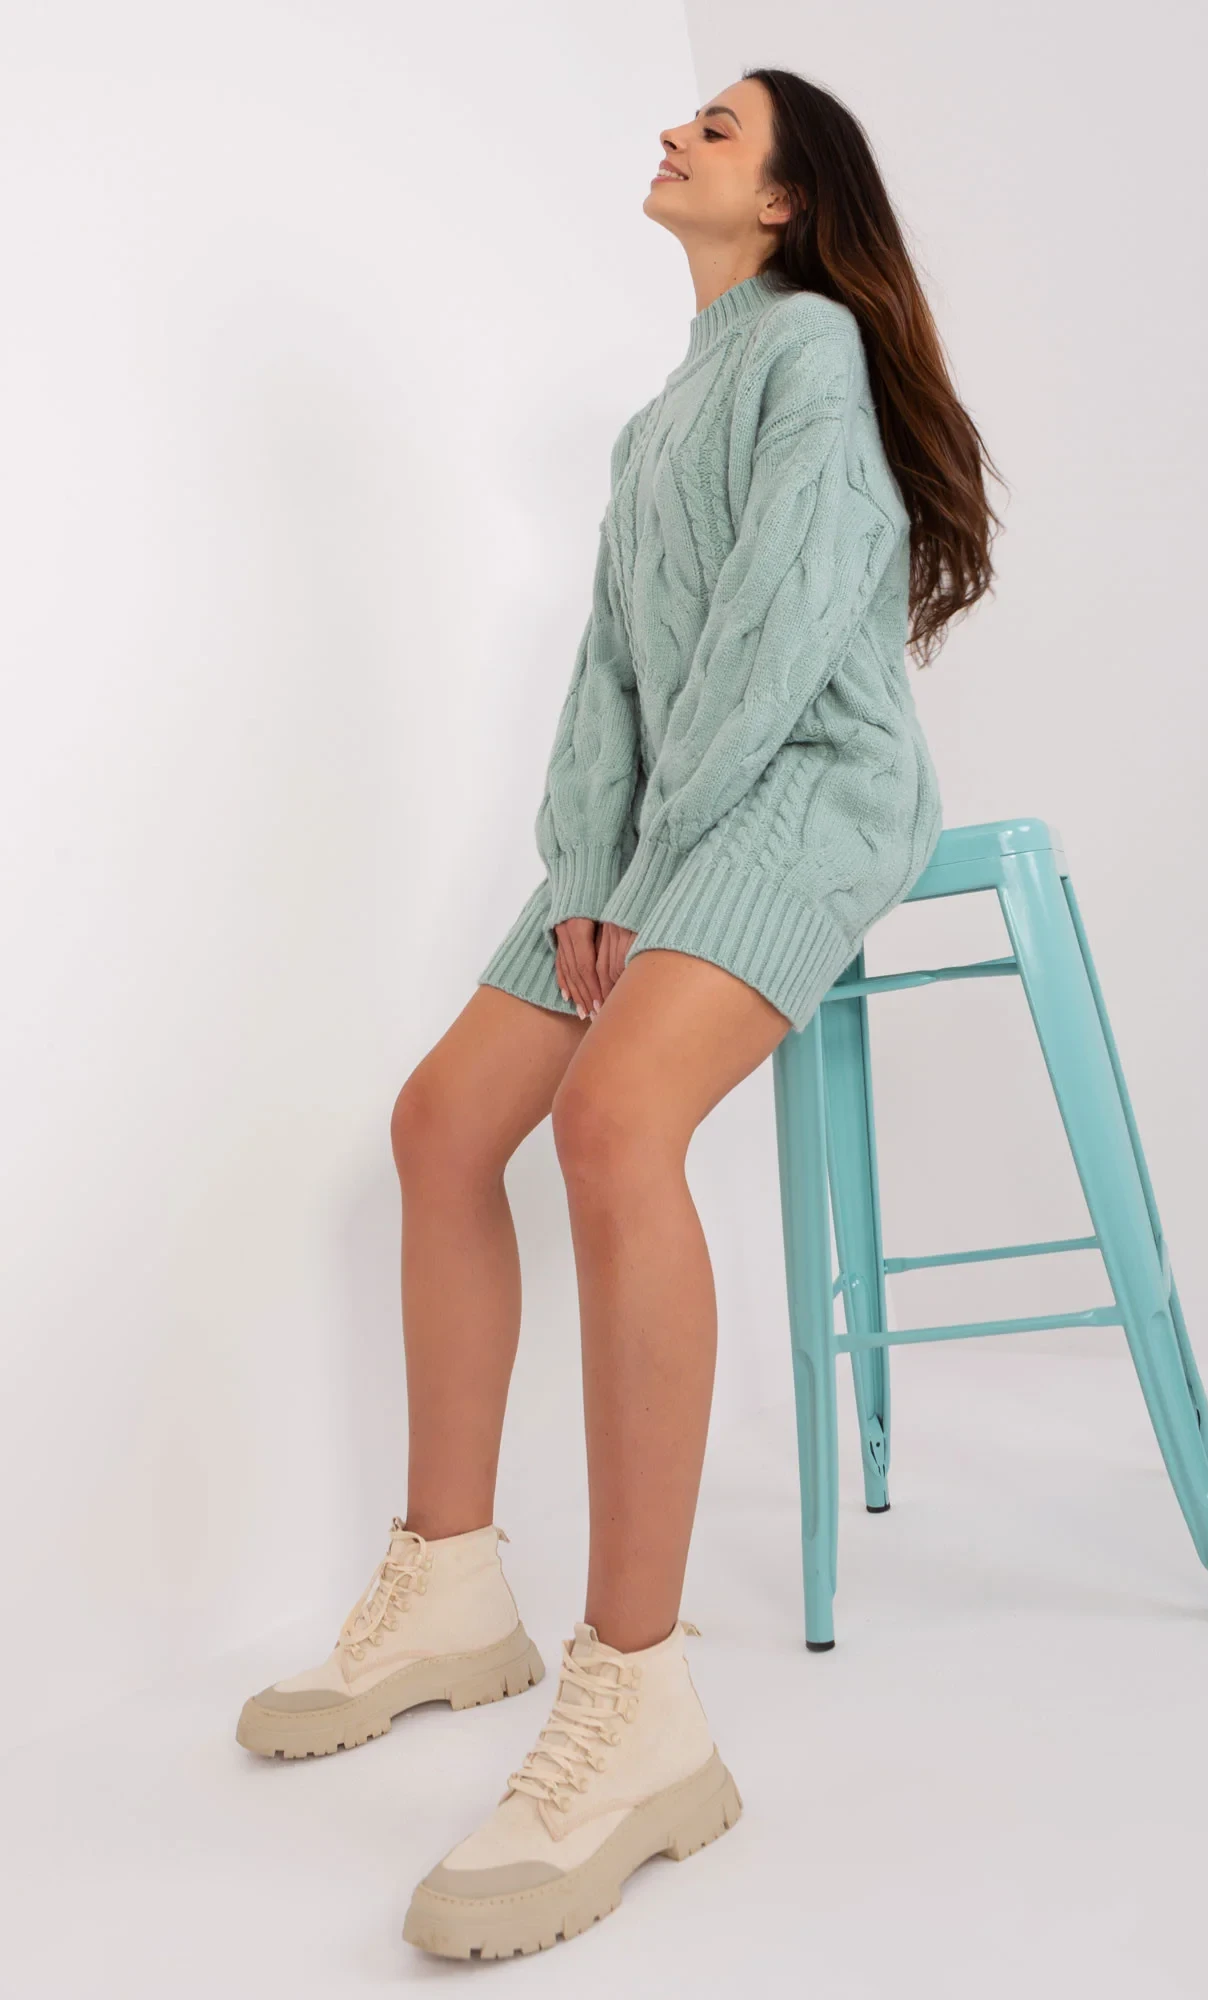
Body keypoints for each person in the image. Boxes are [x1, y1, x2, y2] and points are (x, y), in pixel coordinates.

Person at [235, 66, 1004, 1960]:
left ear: (788, 203)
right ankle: (449, 1587)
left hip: (803, 793)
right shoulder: (665, 415)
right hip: (660, 828)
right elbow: (611, 673)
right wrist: (591, 867)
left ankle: (643, 1700)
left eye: (720, 129)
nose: (677, 134)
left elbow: (787, 633)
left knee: (611, 1122)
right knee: (441, 1124)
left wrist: (655, 867)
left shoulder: (812, 350)